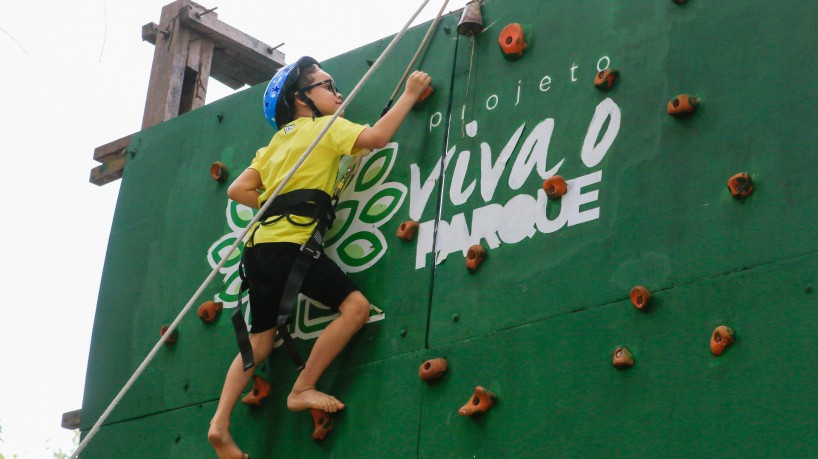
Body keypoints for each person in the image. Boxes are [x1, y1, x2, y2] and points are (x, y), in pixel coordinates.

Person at [207, 55, 431, 459]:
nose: (338, 93)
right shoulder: (324, 128)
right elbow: (378, 138)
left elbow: (237, 190)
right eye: (328, 86)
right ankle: (303, 387)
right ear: (301, 98)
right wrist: (411, 94)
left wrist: (286, 200)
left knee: (259, 343)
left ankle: (220, 426)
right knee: (356, 308)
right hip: (292, 246)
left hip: (259, 250)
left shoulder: (274, 145)